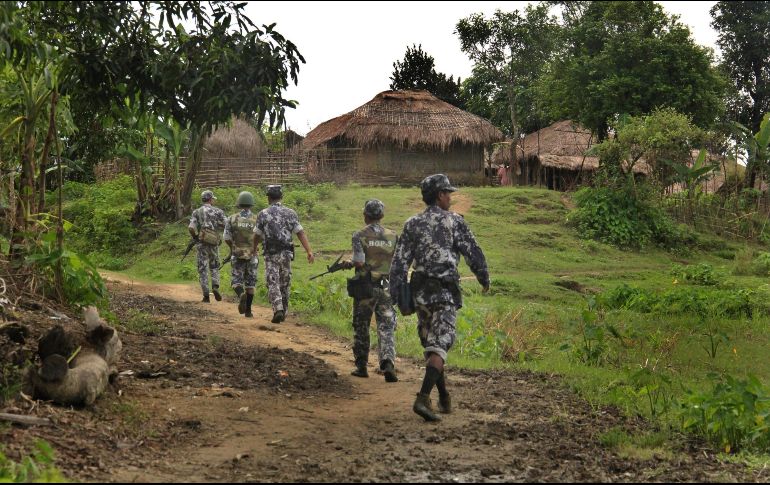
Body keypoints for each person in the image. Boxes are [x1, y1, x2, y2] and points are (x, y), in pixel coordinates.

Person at [390, 174, 490, 422]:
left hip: (421, 293)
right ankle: (423, 398)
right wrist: (483, 277)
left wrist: (399, 295)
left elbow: (399, 263)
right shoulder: (455, 222)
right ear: (438, 195)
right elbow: (473, 252)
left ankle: (443, 396)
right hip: (444, 292)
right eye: (447, 193)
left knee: (432, 345)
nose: (450, 197)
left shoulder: (412, 224)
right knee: (441, 342)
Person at [342, 199, 398, 382]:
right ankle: (388, 362)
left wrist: (349, 263)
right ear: (381, 216)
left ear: (366, 215)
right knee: (386, 326)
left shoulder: (359, 235)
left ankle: (361, 366)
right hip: (386, 285)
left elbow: (358, 261)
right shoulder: (392, 236)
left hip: (366, 287)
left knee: (362, 325)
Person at [253, 185, 315, 323]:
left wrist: (254, 248)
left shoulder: (263, 214)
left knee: (272, 280)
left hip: (270, 253)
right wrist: (309, 251)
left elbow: (257, 235)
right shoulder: (291, 213)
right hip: (286, 253)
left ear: (268, 198)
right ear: (281, 197)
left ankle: (278, 309)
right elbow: (300, 233)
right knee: (285, 282)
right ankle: (284, 311)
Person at [223, 191, 259, 318]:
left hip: (237, 254)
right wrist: (255, 247)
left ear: (239, 203)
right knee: (250, 284)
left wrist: (232, 247)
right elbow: (261, 236)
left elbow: (226, 237)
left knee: (236, 281)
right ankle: (248, 311)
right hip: (252, 255)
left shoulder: (231, 219)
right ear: (251, 204)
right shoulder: (257, 219)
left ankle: (240, 294)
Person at [188, 190, 226, 303]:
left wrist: (195, 237)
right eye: (213, 198)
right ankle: (215, 286)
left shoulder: (196, 212)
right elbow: (226, 224)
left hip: (201, 244)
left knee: (202, 269)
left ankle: (206, 296)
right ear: (210, 199)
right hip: (214, 243)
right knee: (214, 266)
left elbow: (191, 227)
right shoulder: (218, 211)